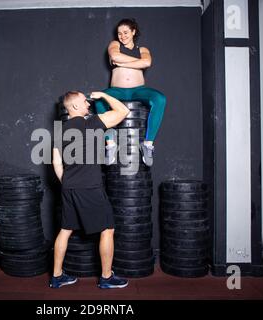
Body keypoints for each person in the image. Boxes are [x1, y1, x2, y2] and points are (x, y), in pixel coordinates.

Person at [50, 90, 129, 289]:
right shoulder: (91, 122)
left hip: (68, 187)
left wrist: (67, 182)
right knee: (108, 229)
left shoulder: (59, 130)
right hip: (90, 187)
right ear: (75, 106)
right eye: (85, 102)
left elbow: (56, 161)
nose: (88, 104)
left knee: (65, 230)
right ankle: (106, 277)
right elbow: (123, 111)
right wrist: (103, 95)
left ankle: (57, 276)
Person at [94, 18, 167, 167]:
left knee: (160, 99)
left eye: (126, 32)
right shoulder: (115, 45)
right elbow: (115, 56)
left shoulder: (143, 50)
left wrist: (122, 63)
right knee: (99, 100)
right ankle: (110, 143)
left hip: (138, 90)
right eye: (119, 33)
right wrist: (135, 62)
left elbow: (147, 62)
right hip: (117, 90)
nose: (122, 36)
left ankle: (147, 144)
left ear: (133, 32)